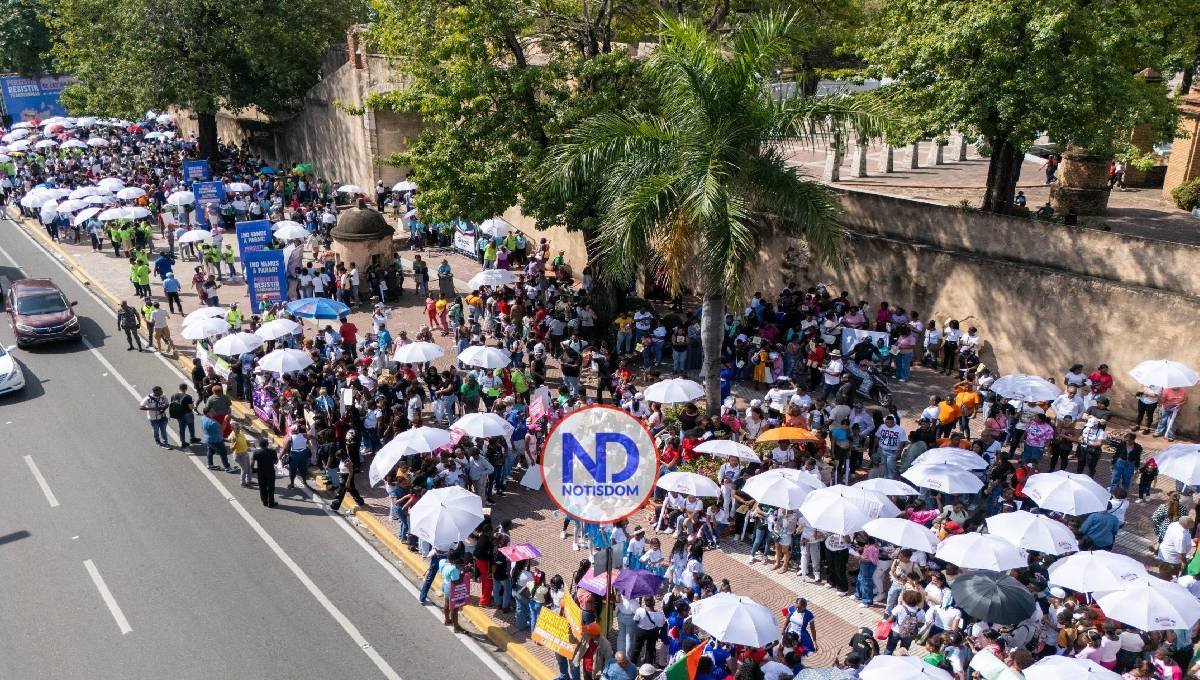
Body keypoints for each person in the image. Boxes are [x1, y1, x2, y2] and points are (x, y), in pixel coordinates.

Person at [252, 439, 278, 507]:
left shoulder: (256, 452)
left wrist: (253, 469)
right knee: (271, 488)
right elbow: (276, 462)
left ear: (259, 445)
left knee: (262, 487)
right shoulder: (272, 451)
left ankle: (264, 502)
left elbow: (252, 463)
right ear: (267, 444)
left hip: (260, 472)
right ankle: (271, 503)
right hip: (270, 472)